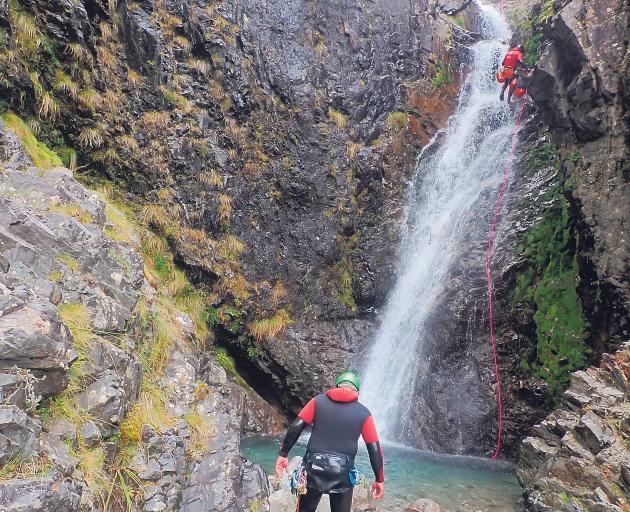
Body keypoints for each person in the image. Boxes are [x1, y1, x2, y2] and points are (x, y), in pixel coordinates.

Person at [275, 371, 385, 512]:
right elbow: (374, 448)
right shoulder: (364, 413)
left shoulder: (318, 401)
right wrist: (379, 479)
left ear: (337, 386)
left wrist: (283, 454)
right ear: (357, 391)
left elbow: (296, 426)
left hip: (313, 467)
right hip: (342, 472)